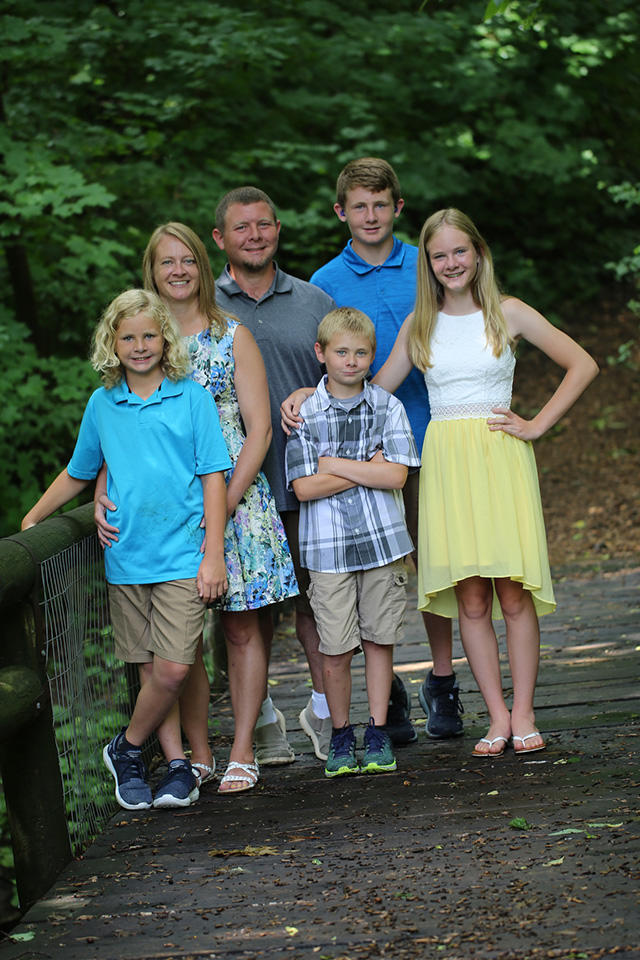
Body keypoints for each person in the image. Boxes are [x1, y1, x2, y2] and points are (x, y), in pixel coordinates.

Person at [373, 208, 598, 756]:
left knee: (513, 593)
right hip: (447, 461)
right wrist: (313, 396)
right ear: (427, 263)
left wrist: (536, 424)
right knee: (471, 599)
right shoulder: (419, 325)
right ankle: (495, 717)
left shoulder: (509, 312)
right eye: (438, 255)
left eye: (459, 251)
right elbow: (375, 391)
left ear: (477, 253)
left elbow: (583, 364)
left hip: (501, 457)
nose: (450, 263)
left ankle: (524, 712)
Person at [97, 223, 299, 796]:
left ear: (203, 268)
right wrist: (101, 488)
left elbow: (259, 430)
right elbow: (117, 426)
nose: (179, 270)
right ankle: (196, 754)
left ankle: (242, 751)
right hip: (162, 511)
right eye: (167, 262)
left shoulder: (230, 335)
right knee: (178, 641)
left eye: (188, 260)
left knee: (239, 628)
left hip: (232, 494)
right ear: (152, 272)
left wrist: (225, 506)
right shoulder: (141, 337)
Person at [22, 289, 231, 809]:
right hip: (126, 554)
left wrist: (215, 553)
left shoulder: (191, 397)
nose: (139, 346)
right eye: (128, 337)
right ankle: (177, 764)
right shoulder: (103, 403)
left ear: (165, 339)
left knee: (176, 666)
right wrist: (33, 519)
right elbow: (79, 470)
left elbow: (213, 476)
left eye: (149, 335)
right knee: (147, 664)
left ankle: (126, 746)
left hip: (184, 553)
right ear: (111, 343)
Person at [307, 157, 463, 741]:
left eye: (380, 204)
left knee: (435, 564)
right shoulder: (324, 283)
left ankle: (442, 680)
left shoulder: (425, 269)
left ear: (398, 208)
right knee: (376, 569)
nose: (369, 216)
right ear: (340, 212)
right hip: (359, 455)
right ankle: (387, 693)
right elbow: (319, 358)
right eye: (357, 206)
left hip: (434, 435)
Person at [211, 186, 338, 762]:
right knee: (248, 609)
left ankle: (325, 712)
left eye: (264, 225)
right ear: (220, 238)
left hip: (308, 479)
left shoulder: (314, 300)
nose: (254, 235)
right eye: (242, 227)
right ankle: (261, 719)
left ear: (278, 229)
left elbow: (348, 373)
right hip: (237, 487)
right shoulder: (202, 307)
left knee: (317, 600)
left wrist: (319, 388)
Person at [285, 307, 420, 777]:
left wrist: (334, 464)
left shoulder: (388, 406)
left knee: (380, 639)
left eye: (361, 353)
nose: (351, 360)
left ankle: (377, 731)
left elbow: (397, 475)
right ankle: (341, 735)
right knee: (336, 646)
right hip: (328, 550)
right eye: (341, 352)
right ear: (321, 354)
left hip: (382, 544)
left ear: (371, 356)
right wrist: (367, 467)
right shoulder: (305, 414)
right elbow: (302, 488)